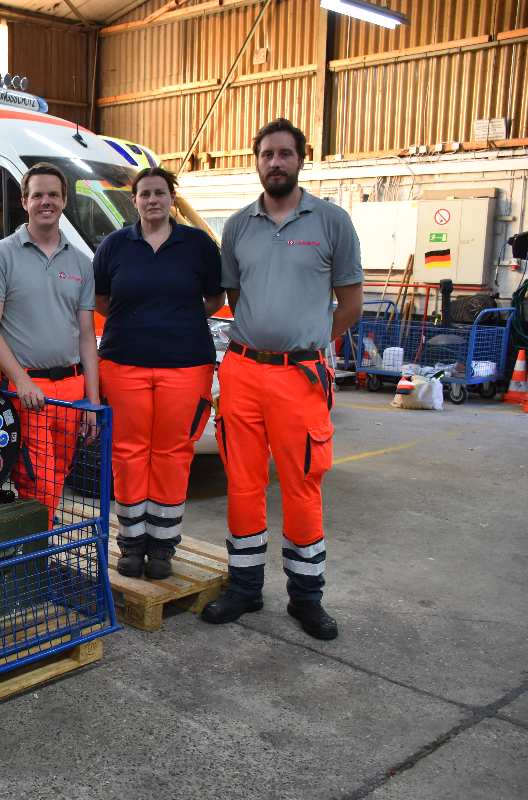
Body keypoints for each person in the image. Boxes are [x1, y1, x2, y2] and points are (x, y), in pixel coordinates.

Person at [199, 118, 362, 640]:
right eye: (267, 154)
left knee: (302, 483)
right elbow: (237, 297)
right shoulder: (237, 227)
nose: (275, 162)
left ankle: (306, 597)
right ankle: (245, 588)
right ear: (257, 161)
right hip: (243, 371)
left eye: (284, 153)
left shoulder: (332, 222)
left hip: (301, 377)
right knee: (243, 483)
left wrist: (307, 339)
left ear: (301, 159)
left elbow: (351, 304)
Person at [94, 167, 224, 580]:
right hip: (124, 364)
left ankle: (163, 546)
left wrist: (178, 317)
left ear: (172, 199)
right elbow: (101, 299)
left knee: (173, 452)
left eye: (160, 193)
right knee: (128, 452)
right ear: (134, 200)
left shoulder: (198, 245)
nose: (152, 200)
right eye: (145, 194)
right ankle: (132, 544)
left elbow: (215, 297)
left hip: (186, 365)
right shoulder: (115, 246)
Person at [0, 162, 99, 523]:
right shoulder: (1, 254)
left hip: (72, 390)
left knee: (58, 475)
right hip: (27, 390)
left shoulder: (81, 263)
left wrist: (92, 399)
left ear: (64, 201)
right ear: (24, 201)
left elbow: (87, 335)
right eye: (38, 195)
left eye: (53, 195)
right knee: (37, 480)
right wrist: (21, 380)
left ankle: (37, 543)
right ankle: (37, 551)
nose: (46, 201)